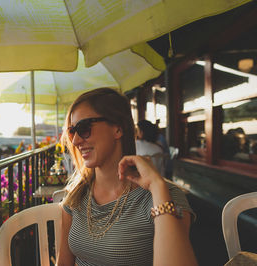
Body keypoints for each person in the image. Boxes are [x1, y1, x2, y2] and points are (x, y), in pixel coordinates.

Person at [56, 88, 197, 266]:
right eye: (72, 131)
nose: (75, 141)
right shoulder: (77, 194)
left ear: (117, 129)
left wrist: (157, 186)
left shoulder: (163, 196)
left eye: (84, 128)